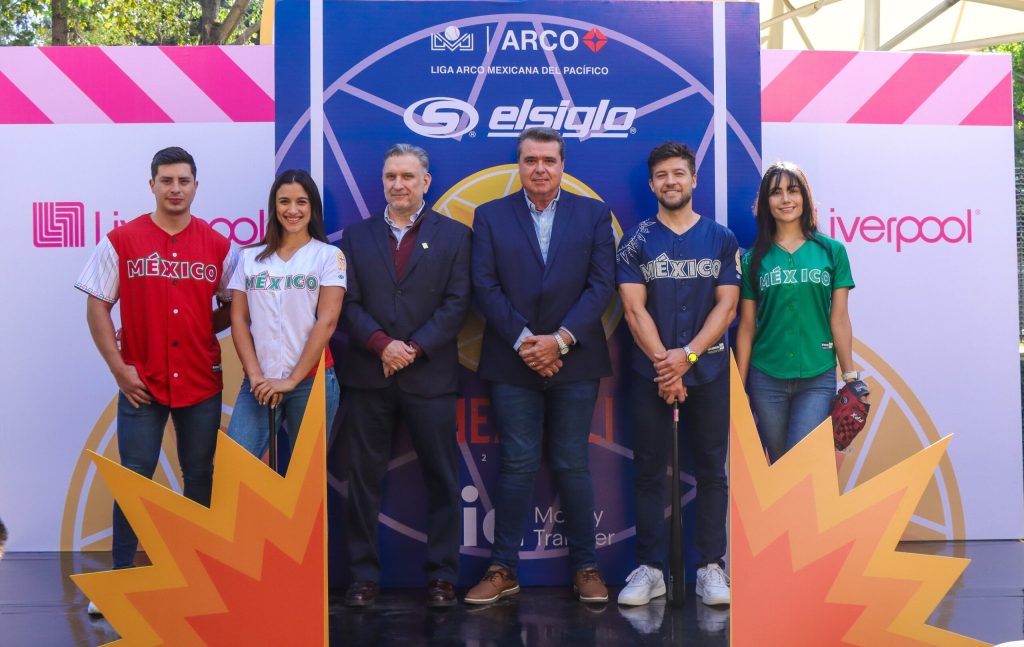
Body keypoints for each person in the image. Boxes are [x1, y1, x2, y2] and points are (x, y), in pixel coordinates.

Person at [75, 147, 237, 615]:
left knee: (200, 476)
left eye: (184, 181)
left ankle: (198, 575)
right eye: (166, 180)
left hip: (200, 381)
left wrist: (199, 328)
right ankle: (121, 579)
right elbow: (97, 305)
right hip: (140, 382)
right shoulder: (121, 240)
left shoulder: (219, 245)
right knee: (134, 477)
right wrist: (118, 367)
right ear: (152, 185)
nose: (175, 189)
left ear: (196, 186)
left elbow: (235, 305)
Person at [466, 127, 615, 605]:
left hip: (576, 359)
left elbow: (601, 285)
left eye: (549, 160)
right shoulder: (490, 215)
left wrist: (561, 341)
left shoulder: (594, 214)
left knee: (572, 463)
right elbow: (484, 285)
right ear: (519, 165)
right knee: (517, 464)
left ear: (563, 165)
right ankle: (502, 569)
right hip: (513, 359)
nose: (540, 169)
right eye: (530, 160)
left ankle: (586, 567)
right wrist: (528, 342)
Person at [339, 144, 471, 608]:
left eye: (408, 176)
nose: (399, 184)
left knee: (442, 479)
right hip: (368, 375)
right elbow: (346, 303)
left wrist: (411, 348)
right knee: (363, 480)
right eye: (391, 176)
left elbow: (458, 303)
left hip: (429, 376)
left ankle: (441, 577)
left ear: (425, 182)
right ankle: (362, 576)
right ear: (382, 181)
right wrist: (382, 345)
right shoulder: (355, 237)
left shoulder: (455, 236)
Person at [616, 141, 739, 608]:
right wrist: (665, 366)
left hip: (708, 370)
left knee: (711, 471)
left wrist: (686, 357)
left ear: (693, 180)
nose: (671, 181)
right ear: (652, 185)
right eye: (662, 175)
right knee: (649, 471)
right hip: (651, 372)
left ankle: (711, 567)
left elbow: (727, 307)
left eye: (678, 173)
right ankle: (651, 569)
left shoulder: (721, 238)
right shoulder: (635, 240)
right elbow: (633, 309)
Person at [735, 161, 860, 463]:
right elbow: (747, 326)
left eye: (793, 190)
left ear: (805, 196)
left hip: (817, 377)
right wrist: (738, 388)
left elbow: (839, 319)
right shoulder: (752, 259)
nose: (785, 199)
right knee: (780, 466)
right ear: (765, 202)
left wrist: (851, 377)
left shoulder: (832, 251)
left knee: (799, 464)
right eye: (775, 192)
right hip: (766, 378)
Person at [226, 170, 345, 461]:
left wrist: (291, 380)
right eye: (284, 201)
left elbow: (327, 322)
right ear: (274, 206)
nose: (292, 210)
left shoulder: (328, 256)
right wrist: (256, 377)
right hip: (259, 382)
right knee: (236, 466)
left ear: (312, 207)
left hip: (311, 382)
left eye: (301, 201)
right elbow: (238, 319)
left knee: (306, 477)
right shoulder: (249, 258)